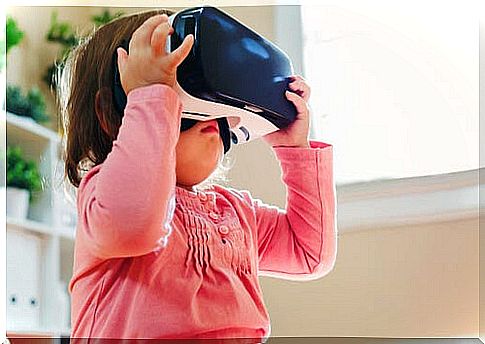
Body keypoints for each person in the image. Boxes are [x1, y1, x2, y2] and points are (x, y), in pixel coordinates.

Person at [58, 8, 337, 343]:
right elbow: (135, 221)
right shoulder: (103, 195)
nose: (213, 126)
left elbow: (310, 253)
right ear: (113, 116)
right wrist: (151, 96)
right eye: (185, 113)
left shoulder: (237, 212)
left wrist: (295, 150)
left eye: (220, 118)